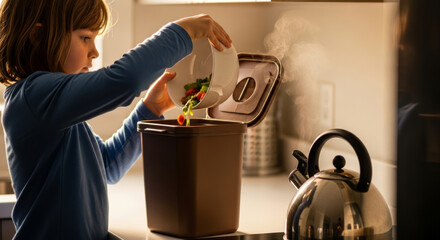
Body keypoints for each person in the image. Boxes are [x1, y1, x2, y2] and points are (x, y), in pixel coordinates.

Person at [0, 0, 232, 239]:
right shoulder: (34, 98)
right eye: (85, 38)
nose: (95, 52)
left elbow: (109, 165)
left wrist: (151, 108)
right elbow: (125, 80)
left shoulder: (56, 110)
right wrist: (182, 31)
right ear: (38, 35)